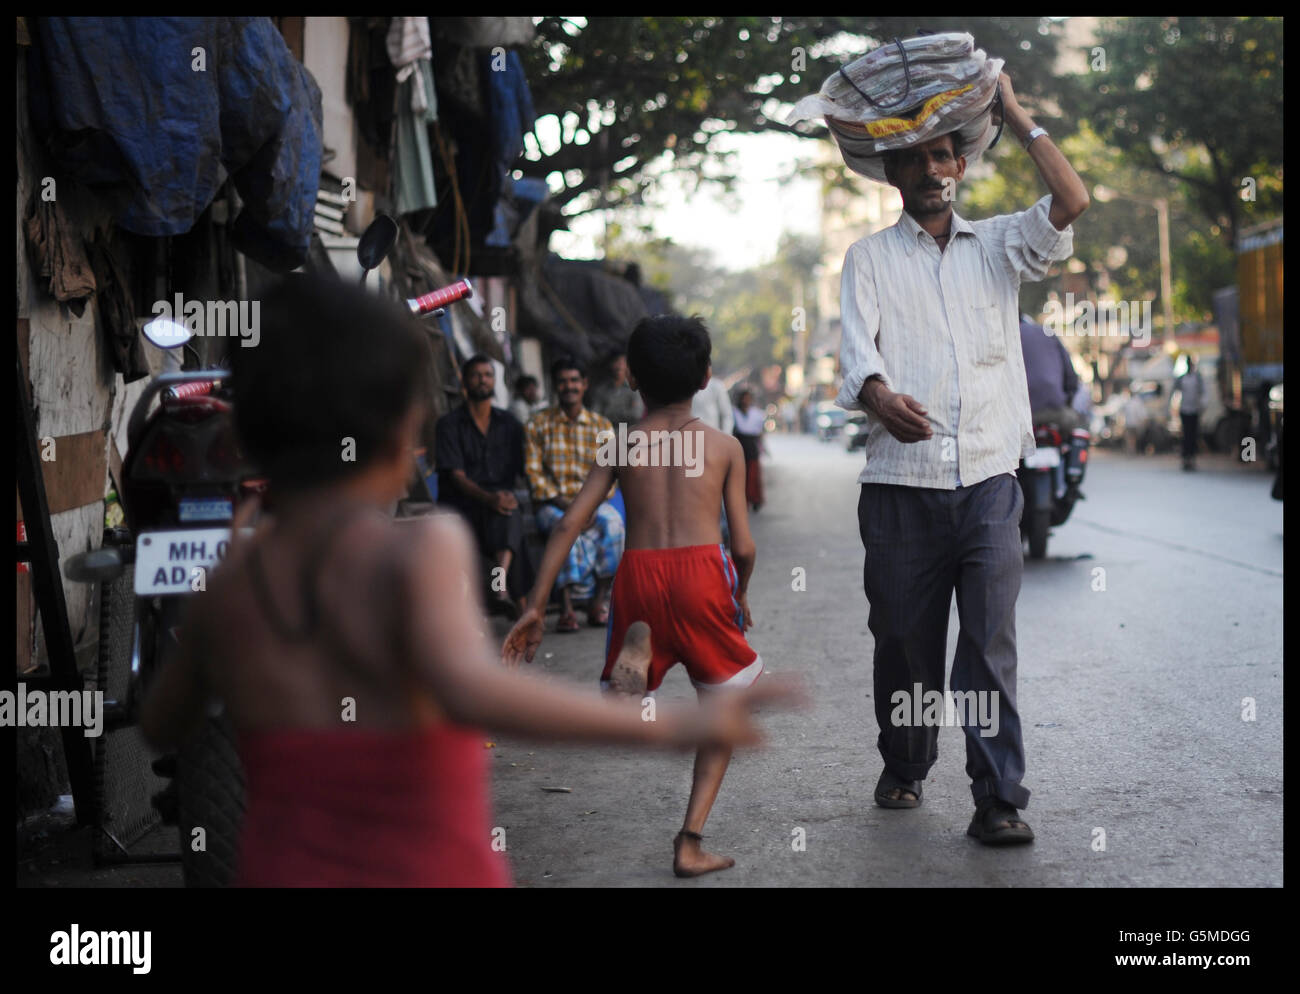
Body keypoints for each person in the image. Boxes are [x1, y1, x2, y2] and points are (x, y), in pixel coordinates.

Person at [137, 276, 791, 887]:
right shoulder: (423, 547)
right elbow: (473, 689)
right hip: (432, 869)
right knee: (718, 677)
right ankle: (683, 788)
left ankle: (637, 657)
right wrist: (669, 730)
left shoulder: (228, 587)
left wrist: (536, 604)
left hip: (279, 870)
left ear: (248, 432)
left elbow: (163, 725)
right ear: (404, 434)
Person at [835, 71, 1089, 844]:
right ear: (894, 176)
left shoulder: (1003, 245)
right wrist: (879, 396)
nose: (931, 171)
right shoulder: (868, 259)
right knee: (906, 645)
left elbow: (1072, 203)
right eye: (914, 161)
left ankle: (998, 796)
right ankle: (906, 760)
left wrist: (1011, 110)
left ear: (962, 165)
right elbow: (854, 355)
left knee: (986, 646)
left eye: (943, 156)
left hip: (987, 481)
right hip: (899, 488)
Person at [504, 315, 766, 878]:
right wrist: (739, 595)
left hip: (639, 576)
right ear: (706, 377)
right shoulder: (723, 447)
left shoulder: (619, 443)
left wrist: (534, 603)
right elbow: (742, 546)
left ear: (631, 381)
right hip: (701, 575)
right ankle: (690, 839)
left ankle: (639, 659)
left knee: (637, 659)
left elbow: (568, 524)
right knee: (723, 707)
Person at [525, 356, 624, 632]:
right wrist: (570, 508)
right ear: (555, 386)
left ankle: (598, 601)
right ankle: (567, 609)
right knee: (563, 526)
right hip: (553, 504)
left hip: (593, 504)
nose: (569, 386)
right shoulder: (537, 425)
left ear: (584, 384)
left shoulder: (601, 426)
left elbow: (612, 476)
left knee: (614, 524)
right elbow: (535, 475)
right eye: (563, 382)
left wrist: (588, 507)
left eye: (574, 381)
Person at [435, 353, 529, 617]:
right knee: (508, 518)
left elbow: (523, 468)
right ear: (464, 382)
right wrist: (490, 498)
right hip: (462, 503)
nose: (482, 380)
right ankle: (520, 605)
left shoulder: (509, 423)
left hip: (499, 502)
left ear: (494, 381)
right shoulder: (449, 425)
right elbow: (456, 476)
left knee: (509, 513)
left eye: (487, 375)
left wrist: (504, 498)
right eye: (476, 375)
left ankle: (501, 590)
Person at [1019, 314, 1080, 431]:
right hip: (1055, 411)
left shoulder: (1009, 335)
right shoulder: (1047, 332)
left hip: (1025, 417)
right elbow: (1071, 378)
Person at [590, 350, 645, 431]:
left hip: (629, 434)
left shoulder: (635, 388)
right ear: (611, 365)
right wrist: (624, 412)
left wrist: (608, 412)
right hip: (605, 434)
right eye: (616, 362)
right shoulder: (601, 390)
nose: (619, 366)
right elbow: (595, 415)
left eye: (622, 362)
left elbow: (636, 414)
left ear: (628, 366)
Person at [732, 388, 766, 511]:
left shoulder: (756, 414)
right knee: (741, 476)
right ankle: (743, 501)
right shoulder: (734, 412)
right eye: (743, 398)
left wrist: (763, 447)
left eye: (748, 398)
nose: (746, 400)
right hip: (739, 444)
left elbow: (760, 432)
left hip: (752, 445)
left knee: (753, 475)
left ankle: (755, 499)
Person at [1174, 355, 1205, 470]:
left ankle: (1192, 458)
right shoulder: (1181, 378)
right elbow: (1175, 392)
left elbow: (1203, 393)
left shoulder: (1197, 378)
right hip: (1185, 410)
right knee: (1185, 435)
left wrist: (1201, 406)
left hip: (1194, 410)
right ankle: (1185, 458)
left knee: (1193, 435)